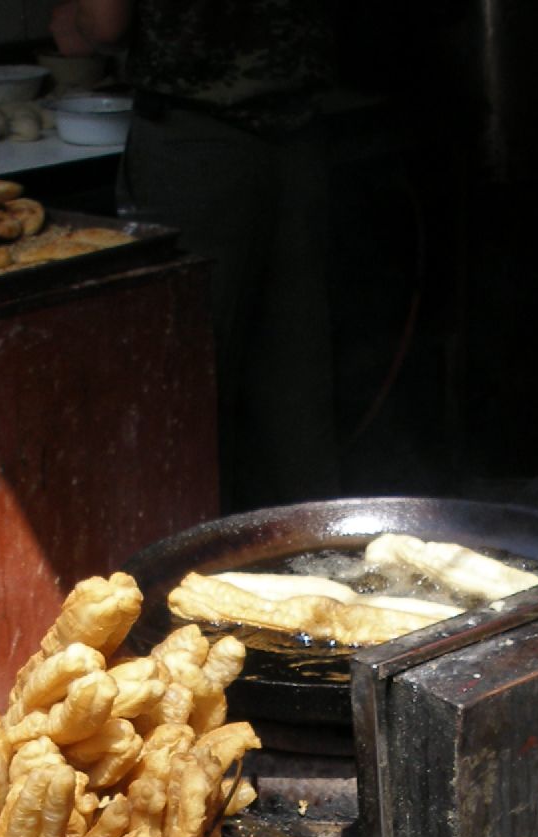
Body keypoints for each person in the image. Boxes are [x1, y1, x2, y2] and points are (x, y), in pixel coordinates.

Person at [52, 0, 340, 512]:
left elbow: (104, 22)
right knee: (294, 379)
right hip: (300, 136)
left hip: (196, 146)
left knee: (186, 375)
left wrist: (72, 23)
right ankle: (307, 561)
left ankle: (195, 568)